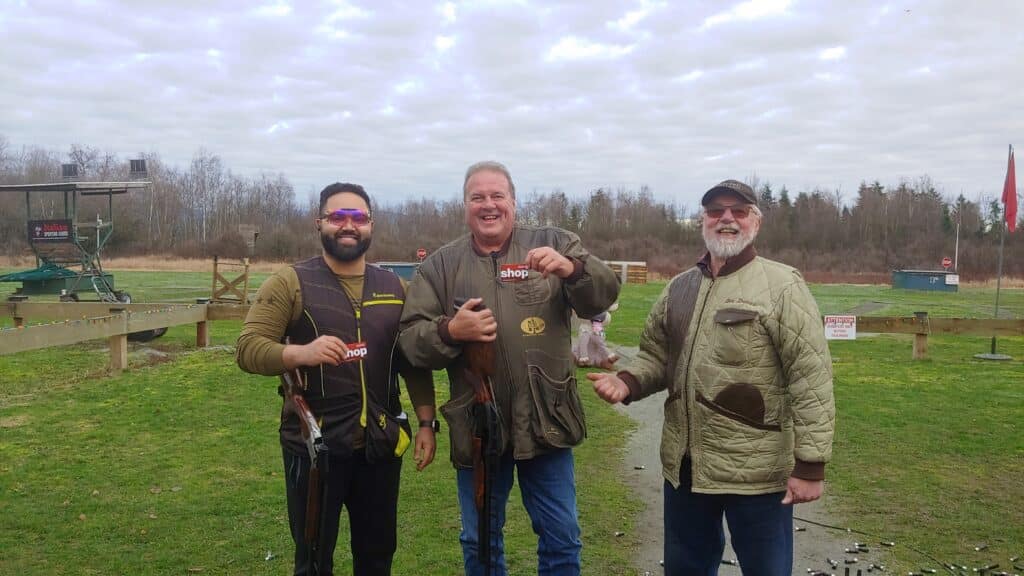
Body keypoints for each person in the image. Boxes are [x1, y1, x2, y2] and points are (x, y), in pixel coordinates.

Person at [588, 179, 835, 576]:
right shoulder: (679, 288)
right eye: (715, 211)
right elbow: (657, 356)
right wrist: (628, 383)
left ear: (756, 221)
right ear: (703, 221)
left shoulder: (782, 285)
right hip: (686, 466)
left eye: (738, 211)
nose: (726, 219)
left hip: (756, 473)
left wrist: (810, 466)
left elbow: (811, 377)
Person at [398, 161, 620, 576]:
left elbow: (603, 295)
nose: (488, 205)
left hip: (547, 420)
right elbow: (410, 342)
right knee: (480, 540)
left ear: (514, 202)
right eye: (477, 197)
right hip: (478, 427)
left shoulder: (555, 242)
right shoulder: (441, 267)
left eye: (497, 195)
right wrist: (451, 329)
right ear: (464, 205)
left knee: (561, 536)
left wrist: (572, 269)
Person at [236, 182, 437, 576]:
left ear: (371, 225)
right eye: (338, 217)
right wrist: (299, 353)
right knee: (313, 560)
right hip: (316, 449)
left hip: (380, 444)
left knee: (377, 558)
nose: (349, 225)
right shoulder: (290, 282)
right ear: (320, 223)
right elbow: (247, 347)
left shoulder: (396, 288)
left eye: (358, 218)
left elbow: (413, 362)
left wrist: (427, 422)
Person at [572, 302, 619, 369]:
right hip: (582, 354)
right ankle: (580, 360)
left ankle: (605, 362)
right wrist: (583, 357)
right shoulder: (585, 327)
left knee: (600, 356)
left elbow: (601, 342)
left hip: (596, 353)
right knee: (579, 349)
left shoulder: (597, 327)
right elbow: (583, 343)